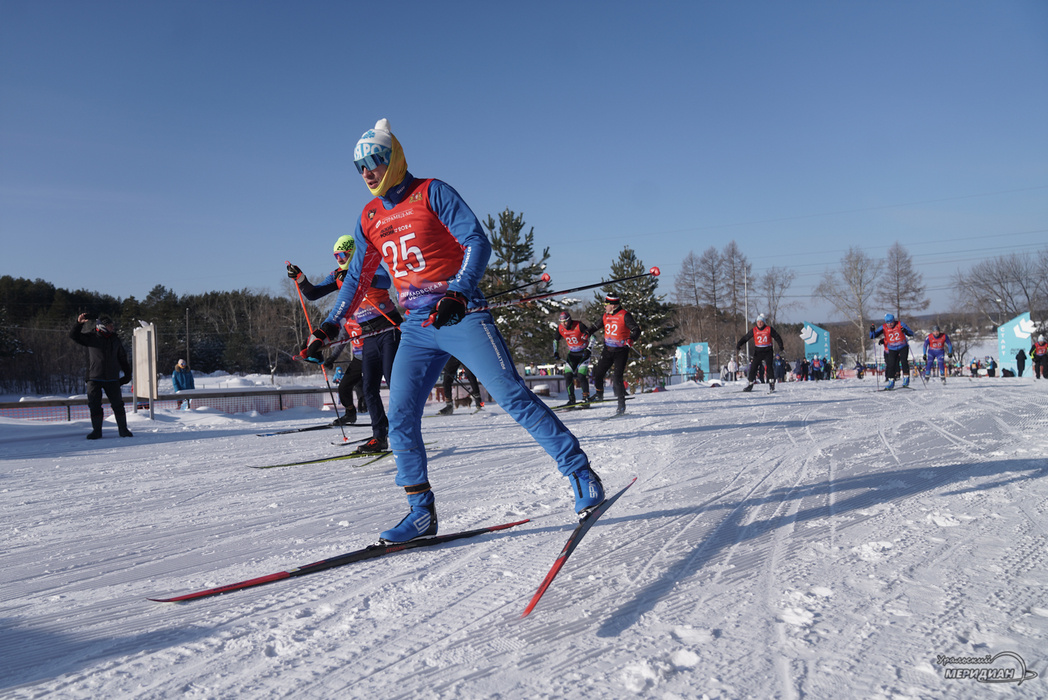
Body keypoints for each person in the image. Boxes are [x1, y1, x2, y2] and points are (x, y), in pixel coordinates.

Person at [299, 118, 604, 543]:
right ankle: (420, 511)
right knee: (401, 416)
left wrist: (459, 292)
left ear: (394, 157)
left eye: (375, 160)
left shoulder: (433, 192)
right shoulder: (369, 216)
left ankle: (582, 475)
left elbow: (477, 241)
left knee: (511, 395)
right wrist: (331, 323)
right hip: (417, 328)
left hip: (460, 314)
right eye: (360, 166)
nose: (368, 171)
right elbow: (358, 277)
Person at [289, 233, 403, 452]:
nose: (339, 259)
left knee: (394, 382)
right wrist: (301, 278)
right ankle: (380, 437)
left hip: (388, 327)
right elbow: (313, 293)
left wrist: (359, 277)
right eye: (336, 256)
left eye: (343, 255)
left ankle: (404, 431)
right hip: (368, 334)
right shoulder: (338, 274)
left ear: (353, 253)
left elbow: (385, 280)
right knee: (369, 388)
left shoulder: (367, 264)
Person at [69, 313, 133, 439]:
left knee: (118, 405)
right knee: (94, 405)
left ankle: (123, 430)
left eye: (112, 325)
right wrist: (79, 324)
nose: (112, 327)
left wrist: (127, 374)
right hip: (94, 378)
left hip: (112, 378)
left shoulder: (115, 340)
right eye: (109, 325)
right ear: (102, 326)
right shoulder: (91, 337)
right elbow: (73, 336)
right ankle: (96, 431)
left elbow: (122, 358)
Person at [590, 294, 642, 415]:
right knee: (598, 373)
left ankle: (621, 406)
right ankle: (599, 394)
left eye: (606, 305)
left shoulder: (624, 315)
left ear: (612, 306)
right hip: (607, 350)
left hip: (620, 351)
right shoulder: (605, 315)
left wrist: (631, 338)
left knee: (617, 378)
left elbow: (636, 329)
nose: (604, 307)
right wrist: (587, 332)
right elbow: (595, 326)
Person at [324, 318, 368, 423]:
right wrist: (332, 358)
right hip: (358, 359)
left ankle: (382, 422)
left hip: (373, 356)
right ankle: (350, 413)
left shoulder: (365, 315)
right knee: (343, 388)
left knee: (370, 389)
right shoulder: (346, 321)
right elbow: (341, 341)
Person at [554, 310, 596, 406]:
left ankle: (586, 398)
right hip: (572, 354)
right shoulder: (560, 328)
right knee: (568, 376)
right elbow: (555, 340)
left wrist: (589, 349)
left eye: (566, 321)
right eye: (562, 322)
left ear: (570, 320)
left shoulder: (579, 325)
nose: (564, 324)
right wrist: (555, 351)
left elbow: (593, 336)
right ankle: (571, 399)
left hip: (583, 354)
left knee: (581, 375)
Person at [736, 314, 784, 393]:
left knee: (769, 367)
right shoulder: (754, 330)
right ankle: (750, 384)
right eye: (758, 322)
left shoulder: (769, 329)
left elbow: (777, 337)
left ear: (764, 322)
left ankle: (771, 384)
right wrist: (739, 344)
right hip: (758, 351)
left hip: (768, 350)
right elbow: (746, 337)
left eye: (761, 322)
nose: (759, 323)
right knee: (753, 367)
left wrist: (781, 346)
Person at [869, 313, 915, 390]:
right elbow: (872, 336)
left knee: (904, 361)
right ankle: (891, 381)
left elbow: (911, 333)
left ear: (894, 321)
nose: (890, 324)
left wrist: (905, 331)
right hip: (892, 348)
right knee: (891, 364)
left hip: (903, 346)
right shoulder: (883, 327)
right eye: (888, 322)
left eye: (891, 322)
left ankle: (906, 378)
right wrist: (872, 331)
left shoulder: (900, 324)